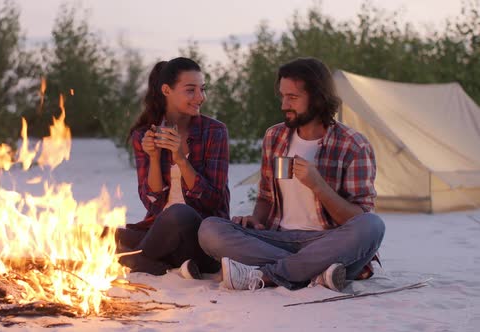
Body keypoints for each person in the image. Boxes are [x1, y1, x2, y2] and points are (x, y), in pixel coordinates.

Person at [198, 57, 385, 291]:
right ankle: (316, 273)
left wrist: (319, 186)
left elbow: (358, 218)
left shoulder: (353, 145)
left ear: (317, 98)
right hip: (278, 239)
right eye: (283, 96)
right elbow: (266, 197)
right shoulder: (275, 137)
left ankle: (268, 275)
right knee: (210, 229)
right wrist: (256, 220)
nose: (284, 104)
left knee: (373, 225)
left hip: (328, 242)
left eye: (293, 97)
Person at [117, 57, 230, 279]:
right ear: (166, 90)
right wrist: (153, 157)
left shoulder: (215, 132)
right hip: (160, 232)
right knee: (101, 235)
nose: (200, 97)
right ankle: (161, 262)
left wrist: (180, 158)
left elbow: (213, 201)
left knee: (178, 213)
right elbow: (153, 202)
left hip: (201, 237)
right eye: (191, 90)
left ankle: (140, 260)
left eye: (202, 89)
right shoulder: (144, 134)